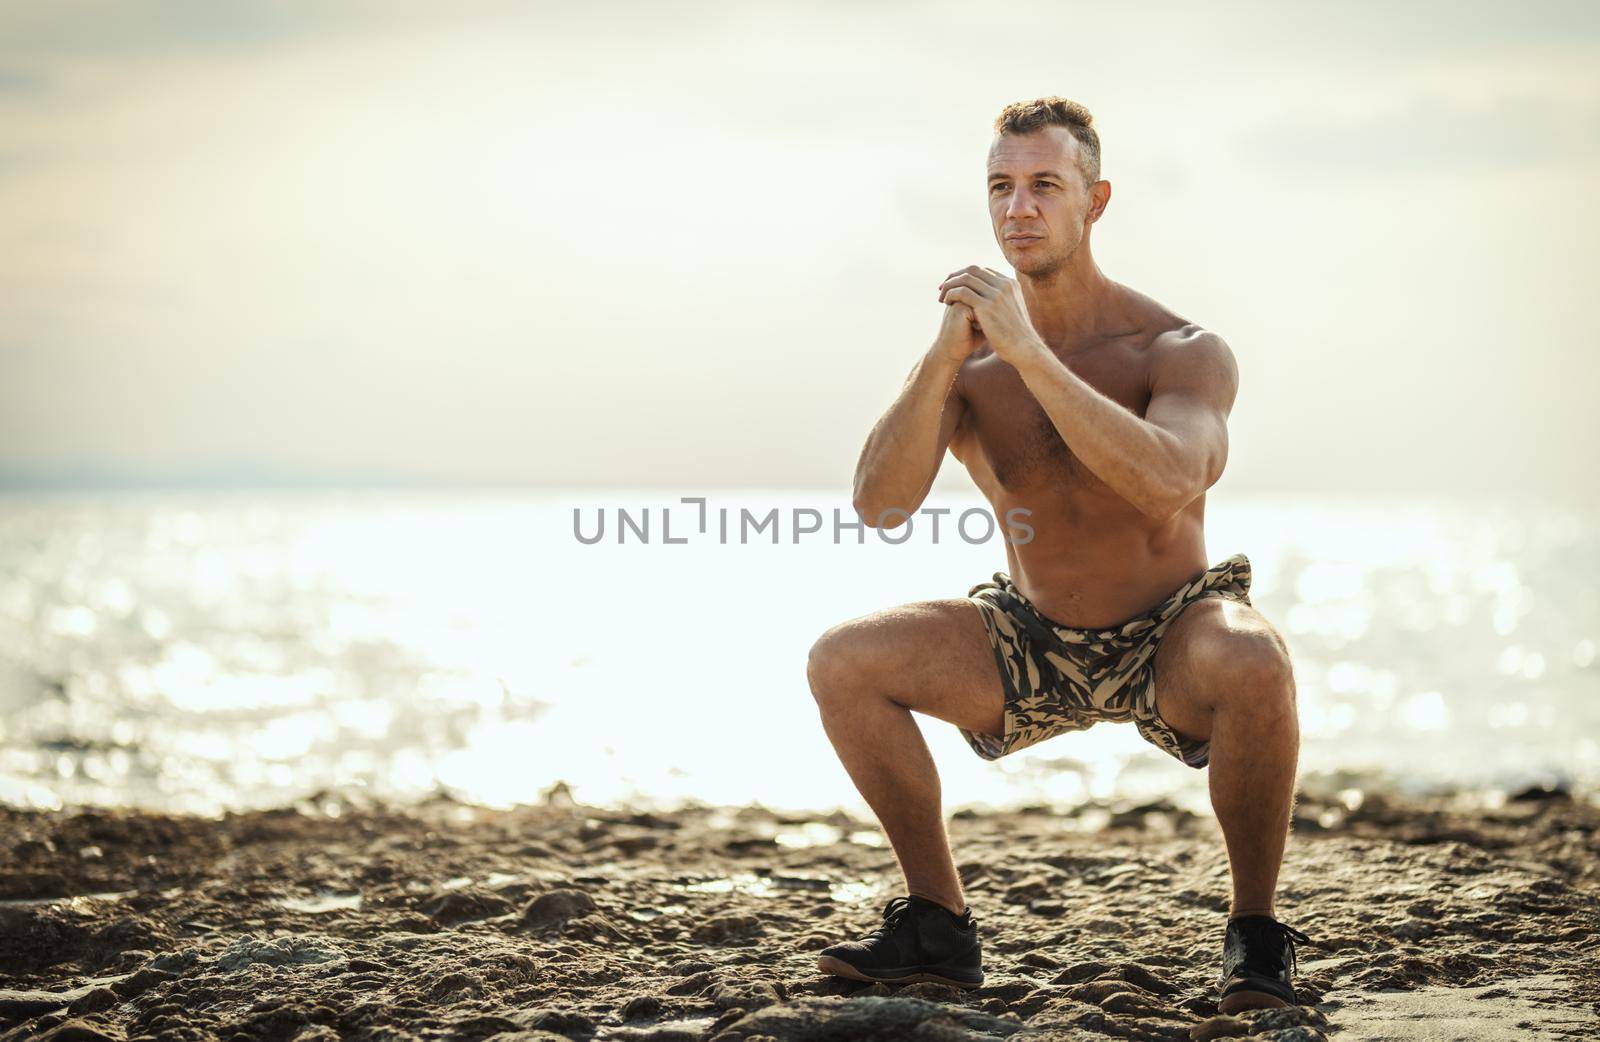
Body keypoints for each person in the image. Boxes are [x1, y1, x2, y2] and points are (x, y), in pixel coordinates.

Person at [807, 97, 1306, 1012]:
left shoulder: (1179, 350)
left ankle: (1257, 933)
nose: (1018, 209)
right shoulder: (971, 368)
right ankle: (937, 925)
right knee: (843, 661)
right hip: (1032, 636)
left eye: (1044, 185)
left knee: (1255, 656)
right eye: (1000, 188)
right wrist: (943, 358)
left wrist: (1031, 350)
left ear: (1096, 200)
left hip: (1171, 634)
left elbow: (1164, 479)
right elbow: (881, 505)